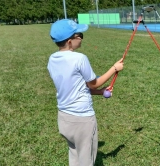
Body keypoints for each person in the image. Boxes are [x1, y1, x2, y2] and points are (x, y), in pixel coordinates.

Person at [47, 19, 124, 166]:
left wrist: (100, 92)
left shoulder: (52, 59)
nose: (81, 38)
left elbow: (76, 87)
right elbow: (93, 83)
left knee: (75, 155)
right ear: (70, 41)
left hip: (64, 118)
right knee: (86, 161)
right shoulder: (79, 58)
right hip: (81, 120)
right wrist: (114, 68)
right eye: (79, 35)